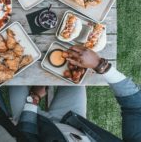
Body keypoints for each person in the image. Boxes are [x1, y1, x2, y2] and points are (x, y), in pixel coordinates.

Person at [10, 45, 141, 141]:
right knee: (75, 72)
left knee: (12, 75)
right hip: (72, 122)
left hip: (34, 126)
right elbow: (135, 108)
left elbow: (27, 135)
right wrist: (99, 65)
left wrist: (34, 98)